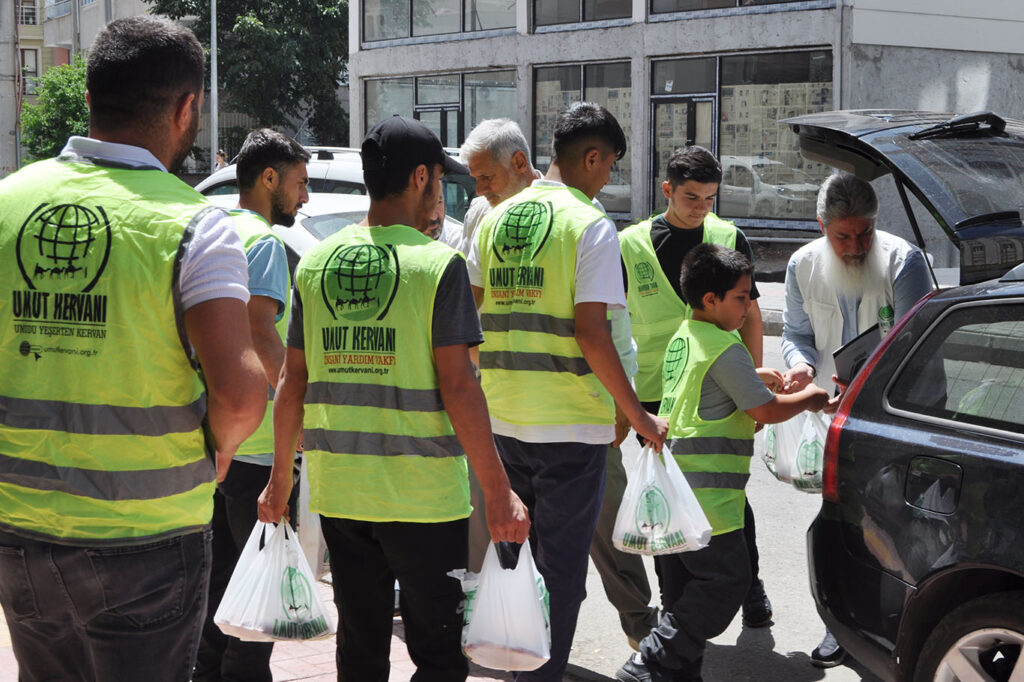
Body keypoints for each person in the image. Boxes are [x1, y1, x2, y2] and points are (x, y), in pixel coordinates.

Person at [0, 16, 266, 681]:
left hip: (21, 527)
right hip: (147, 538)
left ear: (89, 99)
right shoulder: (195, 225)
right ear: (186, 109)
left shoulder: (8, 203)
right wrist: (220, 449)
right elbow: (240, 395)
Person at [257, 115, 530, 681]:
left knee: (359, 647)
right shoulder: (438, 266)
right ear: (422, 178)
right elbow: (459, 386)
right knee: (436, 653)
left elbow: (292, 385)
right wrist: (499, 492)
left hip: (341, 493)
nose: (440, 197)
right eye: (438, 184)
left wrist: (280, 479)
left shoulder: (318, 263)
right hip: (423, 498)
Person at [468, 102, 668, 681]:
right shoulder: (589, 224)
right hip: (571, 432)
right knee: (559, 577)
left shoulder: (495, 219)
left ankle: (515, 669)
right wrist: (636, 413)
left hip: (504, 423)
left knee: (513, 560)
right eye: (609, 166)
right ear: (592, 157)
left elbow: (469, 323)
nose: (608, 177)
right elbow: (592, 333)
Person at [616, 244, 830, 682]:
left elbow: (715, 402)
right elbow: (765, 412)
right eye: (741, 297)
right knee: (727, 582)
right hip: (710, 503)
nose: (750, 305)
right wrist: (811, 397)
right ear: (710, 299)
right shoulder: (726, 348)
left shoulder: (686, 337)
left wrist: (756, 380)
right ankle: (649, 659)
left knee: (681, 598)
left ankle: (671, 673)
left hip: (677, 495)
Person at [780, 171, 935, 667]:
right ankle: (842, 627)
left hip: (900, 417)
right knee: (841, 522)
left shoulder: (903, 261)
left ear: (875, 222)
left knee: (901, 528)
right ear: (820, 225)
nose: (854, 246)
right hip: (837, 416)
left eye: (863, 232)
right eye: (842, 235)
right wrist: (800, 365)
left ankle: (898, 629)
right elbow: (796, 334)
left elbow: (918, 345)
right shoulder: (802, 265)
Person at [618, 145, 773, 628]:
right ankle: (675, 600)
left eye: (709, 197)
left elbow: (750, 312)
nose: (701, 207)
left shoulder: (728, 235)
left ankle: (749, 586)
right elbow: (610, 322)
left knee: (726, 495)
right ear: (667, 190)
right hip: (653, 391)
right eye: (690, 197)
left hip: (717, 385)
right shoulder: (631, 244)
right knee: (665, 492)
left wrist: (752, 385)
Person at [194, 128, 309, 682]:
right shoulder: (263, 243)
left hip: (209, 440)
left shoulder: (209, 230)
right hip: (258, 451)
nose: (304, 197)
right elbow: (261, 333)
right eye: (299, 183)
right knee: (258, 599)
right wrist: (298, 416)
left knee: (219, 589)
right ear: (270, 179)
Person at [458, 118, 538, 255]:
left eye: (486, 177)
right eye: (476, 179)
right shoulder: (478, 213)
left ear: (519, 162)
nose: (479, 190)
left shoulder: (563, 210)